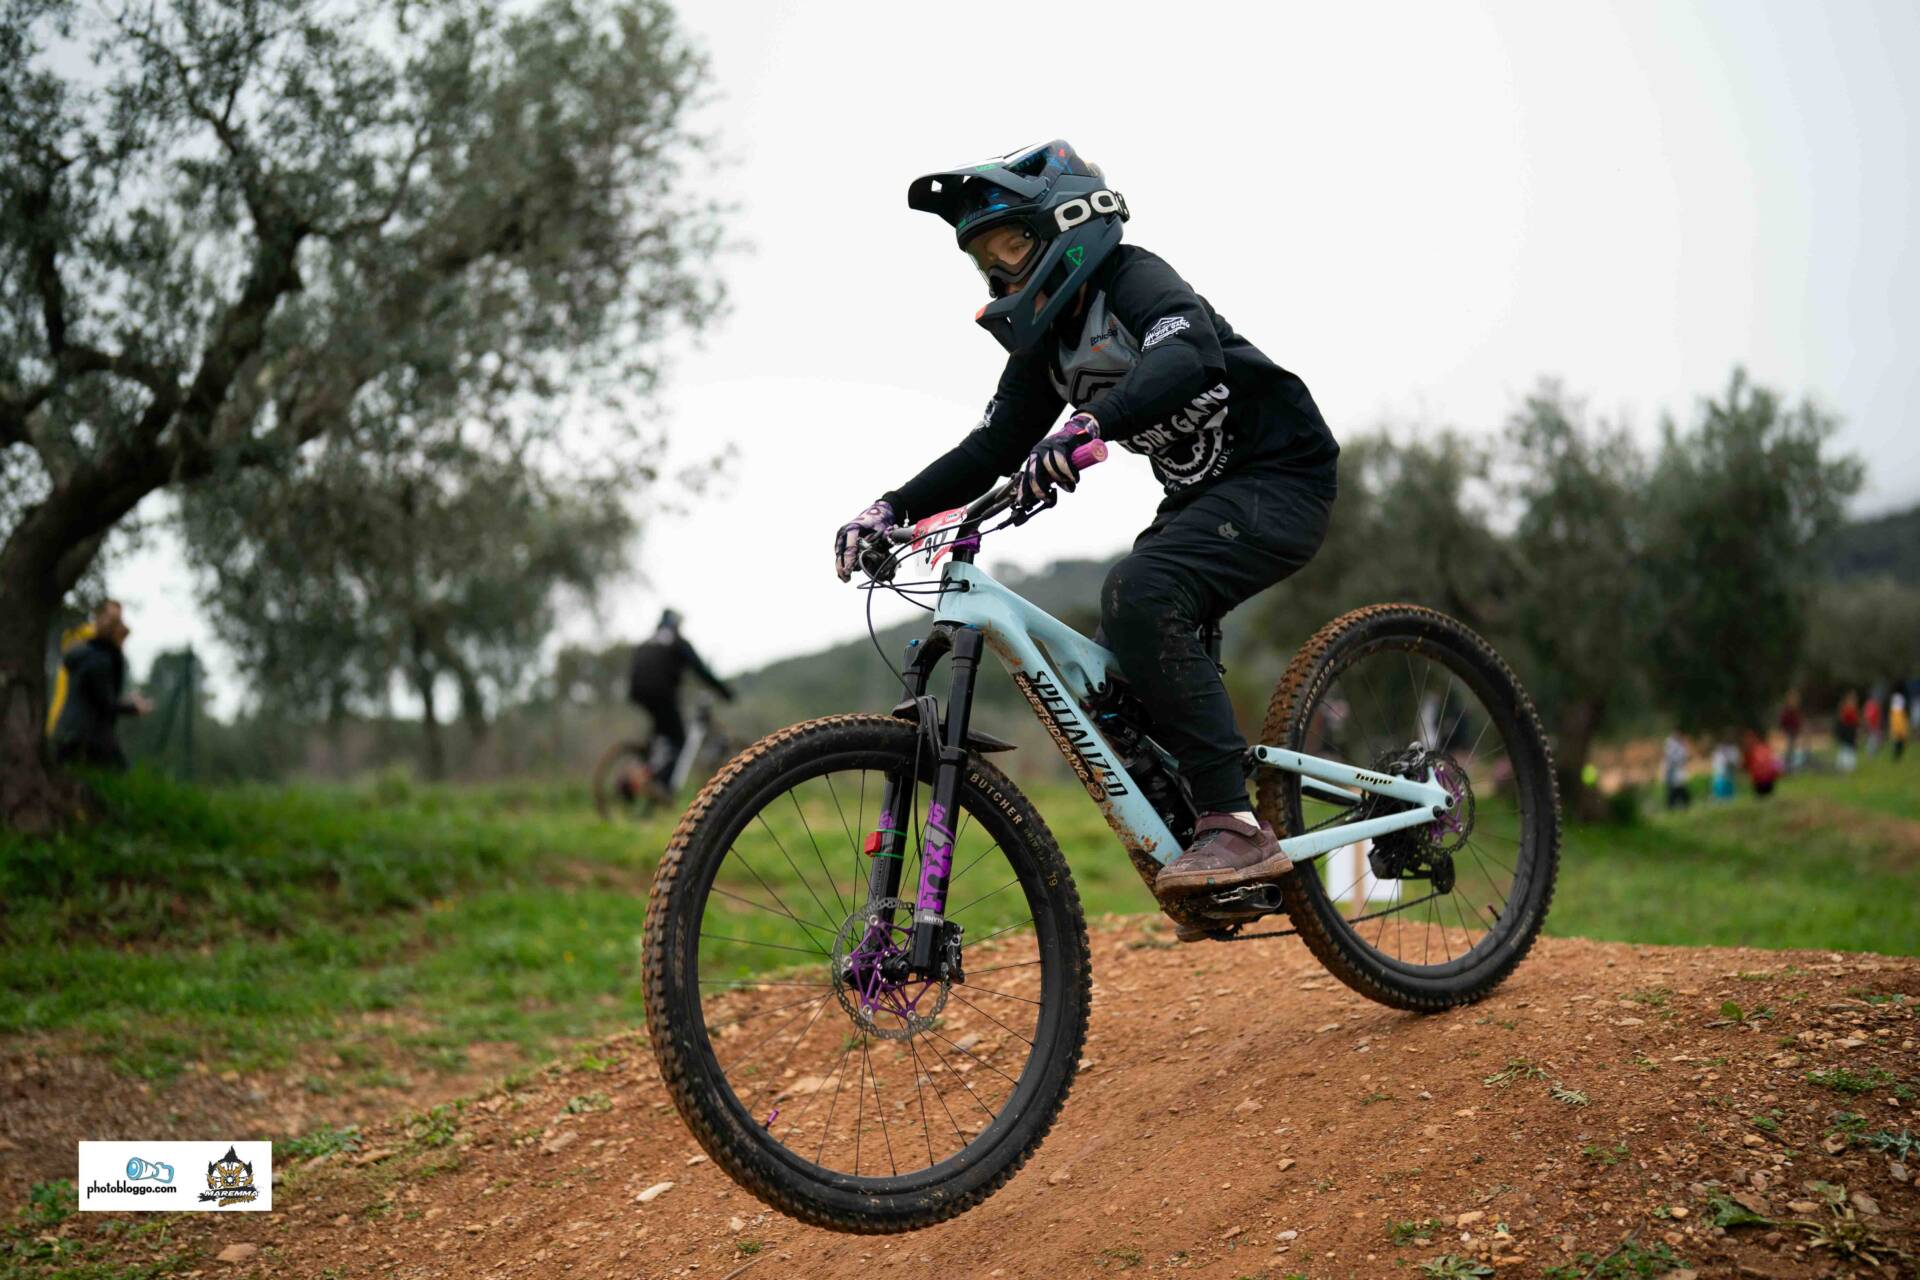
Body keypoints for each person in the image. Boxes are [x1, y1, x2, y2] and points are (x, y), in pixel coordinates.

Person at [832, 140, 1340, 897]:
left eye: (1011, 245)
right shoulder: (1045, 345)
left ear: (1068, 224)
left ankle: (1234, 826)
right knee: (1110, 683)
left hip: (1282, 476)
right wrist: (890, 508)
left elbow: (1188, 352)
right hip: (1201, 500)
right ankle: (1213, 848)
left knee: (1140, 591)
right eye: (984, 259)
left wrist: (1089, 423)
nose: (1000, 270)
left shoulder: (1132, 278)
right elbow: (992, 447)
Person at [626, 609, 734, 793]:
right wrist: (724, 691)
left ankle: (645, 770)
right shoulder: (678, 642)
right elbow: (701, 670)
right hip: (661, 693)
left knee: (661, 733)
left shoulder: (648, 642)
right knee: (678, 739)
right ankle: (662, 785)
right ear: (676, 624)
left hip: (638, 692)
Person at [49, 599, 152, 770]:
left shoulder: (85, 653)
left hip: (67, 730)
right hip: (87, 737)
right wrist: (134, 707)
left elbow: (96, 695)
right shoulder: (101, 660)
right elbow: (105, 702)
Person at [1741, 730, 1782, 798]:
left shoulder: (1758, 749)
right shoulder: (1763, 748)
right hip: (1762, 780)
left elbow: (1745, 766)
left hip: (1765, 780)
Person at [1660, 730, 1691, 809]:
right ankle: (1673, 806)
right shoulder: (1671, 743)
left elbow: (1684, 756)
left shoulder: (1680, 744)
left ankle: (1682, 805)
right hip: (1672, 771)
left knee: (1679, 788)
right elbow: (1671, 758)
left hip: (1677, 771)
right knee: (1673, 790)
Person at [1778, 692, 1804, 773]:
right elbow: (1783, 721)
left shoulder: (1795, 710)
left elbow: (1798, 721)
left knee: (1792, 750)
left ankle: (1790, 767)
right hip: (1789, 731)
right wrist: (1784, 730)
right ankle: (1787, 768)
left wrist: (1799, 729)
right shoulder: (1787, 710)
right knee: (1788, 750)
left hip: (1794, 731)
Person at [1835, 691, 1860, 774]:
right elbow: (1844, 722)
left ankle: (1846, 766)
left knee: (1847, 749)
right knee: (1846, 749)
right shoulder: (1847, 710)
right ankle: (1846, 766)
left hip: (1849, 732)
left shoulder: (1849, 709)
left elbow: (1855, 723)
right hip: (1847, 732)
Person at [1863, 690, 1884, 758]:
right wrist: (1869, 724)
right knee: (1873, 740)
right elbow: (1868, 716)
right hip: (1872, 726)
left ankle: (1872, 754)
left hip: (1875, 726)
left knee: (1876, 740)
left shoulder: (1875, 705)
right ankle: (1870, 755)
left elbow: (1878, 716)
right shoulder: (1871, 704)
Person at [1891, 691, 1909, 763]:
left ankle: (1898, 758)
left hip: (1898, 731)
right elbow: (1899, 722)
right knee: (1898, 745)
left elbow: (1902, 722)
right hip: (1898, 732)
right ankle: (1897, 758)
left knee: (1899, 745)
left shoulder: (1896, 711)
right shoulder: (1897, 712)